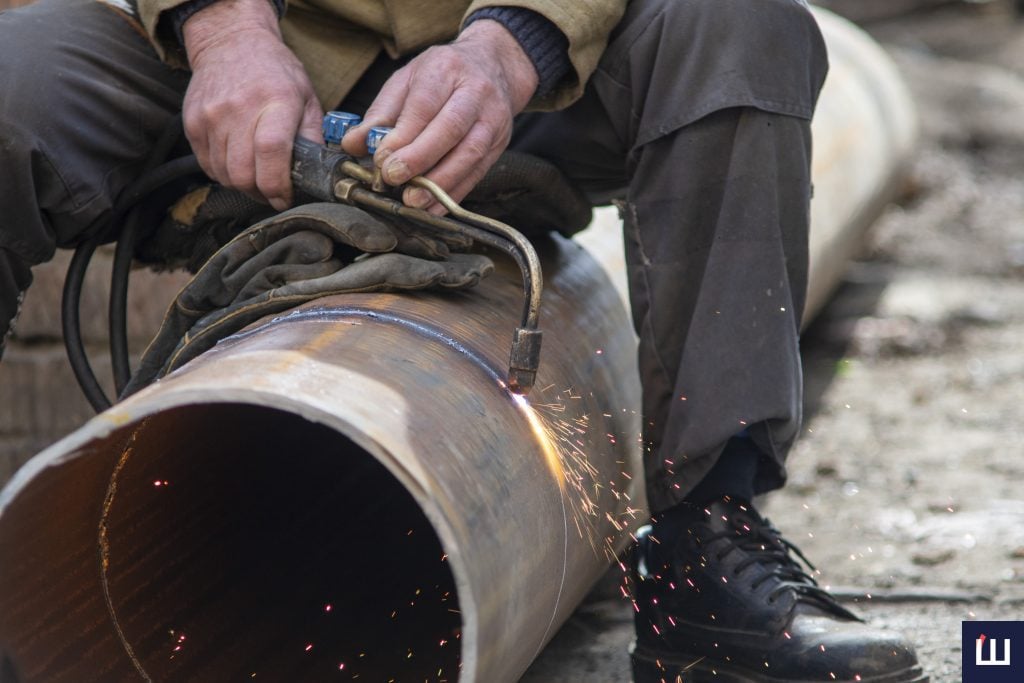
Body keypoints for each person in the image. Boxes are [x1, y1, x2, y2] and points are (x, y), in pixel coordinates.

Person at [0, 0, 926, 680]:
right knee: (11, 88)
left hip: (547, 69)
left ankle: (705, 546)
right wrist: (225, 33)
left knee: (740, 28)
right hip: (229, 53)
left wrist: (510, 44)